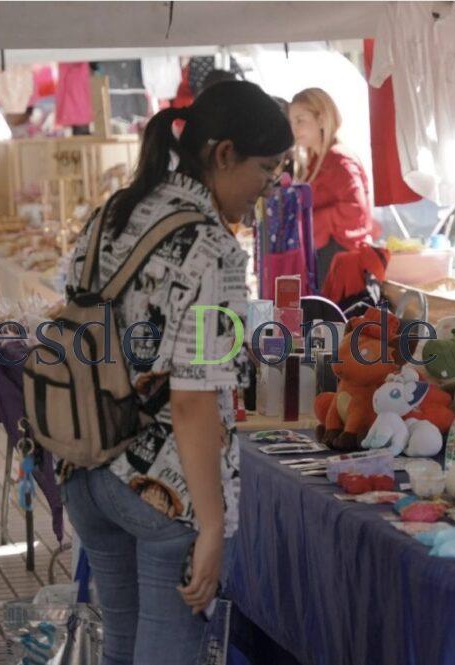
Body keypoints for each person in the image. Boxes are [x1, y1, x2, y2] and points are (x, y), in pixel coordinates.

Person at [60, 81, 292, 665]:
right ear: (224, 154)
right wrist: (212, 525)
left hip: (84, 464)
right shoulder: (214, 249)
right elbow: (191, 400)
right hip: (159, 489)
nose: (268, 189)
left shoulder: (114, 211)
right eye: (266, 169)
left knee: (120, 648)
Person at [288, 88, 378, 285]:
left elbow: (356, 211)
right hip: (324, 259)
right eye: (291, 122)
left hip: (342, 264)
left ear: (321, 120)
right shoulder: (314, 162)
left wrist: (315, 221)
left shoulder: (339, 160)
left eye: (300, 120)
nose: (294, 128)